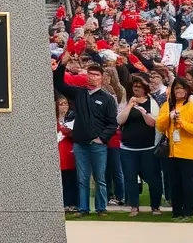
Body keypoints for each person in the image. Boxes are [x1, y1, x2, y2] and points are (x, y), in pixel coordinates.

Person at [53, 59, 116, 216]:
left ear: (101, 78)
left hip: (98, 144)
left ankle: (101, 208)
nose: (92, 77)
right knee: (82, 178)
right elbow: (58, 84)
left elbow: (112, 123)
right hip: (80, 143)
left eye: (96, 75)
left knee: (100, 178)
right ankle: (83, 208)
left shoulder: (107, 98)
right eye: (90, 74)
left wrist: (102, 138)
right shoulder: (79, 93)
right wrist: (63, 65)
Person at [155, 76, 193, 220]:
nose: (179, 91)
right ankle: (176, 210)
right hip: (171, 151)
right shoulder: (167, 105)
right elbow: (159, 125)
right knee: (174, 182)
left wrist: (182, 123)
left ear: (187, 90)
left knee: (187, 181)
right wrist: (168, 117)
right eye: (176, 88)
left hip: (187, 150)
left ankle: (189, 210)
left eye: (182, 88)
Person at [117, 76, 161, 216]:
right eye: (134, 86)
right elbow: (119, 120)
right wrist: (130, 105)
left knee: (152, 178)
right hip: (128, 148)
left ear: (145, 88)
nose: (136, 88)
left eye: (139, 86)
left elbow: (152, 123)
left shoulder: (152, 102)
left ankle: (155, 206)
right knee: (130, 178)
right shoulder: (127, 102)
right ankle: (134, 207)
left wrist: (143, 112)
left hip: (147, 147)